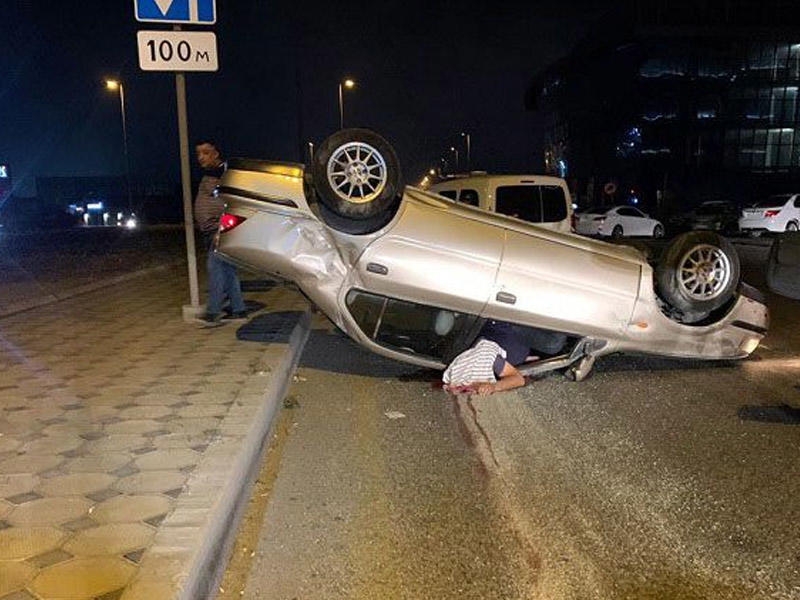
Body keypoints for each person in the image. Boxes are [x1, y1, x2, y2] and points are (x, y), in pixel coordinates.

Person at [194, 139, 248, 326]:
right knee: (227, 270)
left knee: (215, 268)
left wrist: (221, 227)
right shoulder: (213, 174)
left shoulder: (223, 174)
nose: (201, 157)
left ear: (216, 154)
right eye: (199, 153)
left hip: (219, 229)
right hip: (214, 229)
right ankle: (239, 309)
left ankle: (213, 312)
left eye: (206, 153)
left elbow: (229, 202)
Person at [442, 319, 564, 396]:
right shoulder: (480, 373)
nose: (473, 392)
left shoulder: (476, 363)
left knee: (553, 344)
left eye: (463, 390)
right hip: (518, 340)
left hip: (508, 329)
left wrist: (493, 387)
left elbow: (518, 379)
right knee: (552, 348)